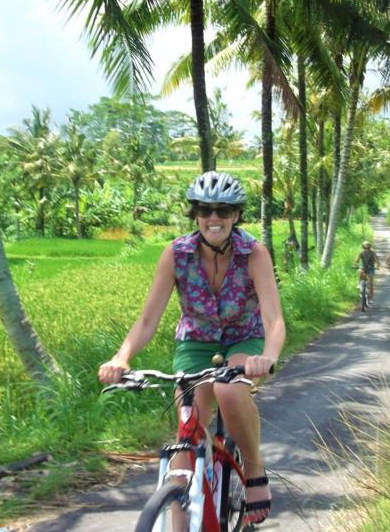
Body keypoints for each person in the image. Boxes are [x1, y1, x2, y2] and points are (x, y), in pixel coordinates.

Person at [98, 171, 282, 525]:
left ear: (236, 216)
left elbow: (274, 319)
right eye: (205, 210)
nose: (214, 218)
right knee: (188, 432)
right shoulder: (176, 254)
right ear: (195, 215)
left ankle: (255, 472)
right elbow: (148, 320)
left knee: (228, 390)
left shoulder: (253, 253)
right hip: (195, 342)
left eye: (223, 211)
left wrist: (267, 357)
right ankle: (181, 509)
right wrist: (121, 357)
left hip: (243, 339)